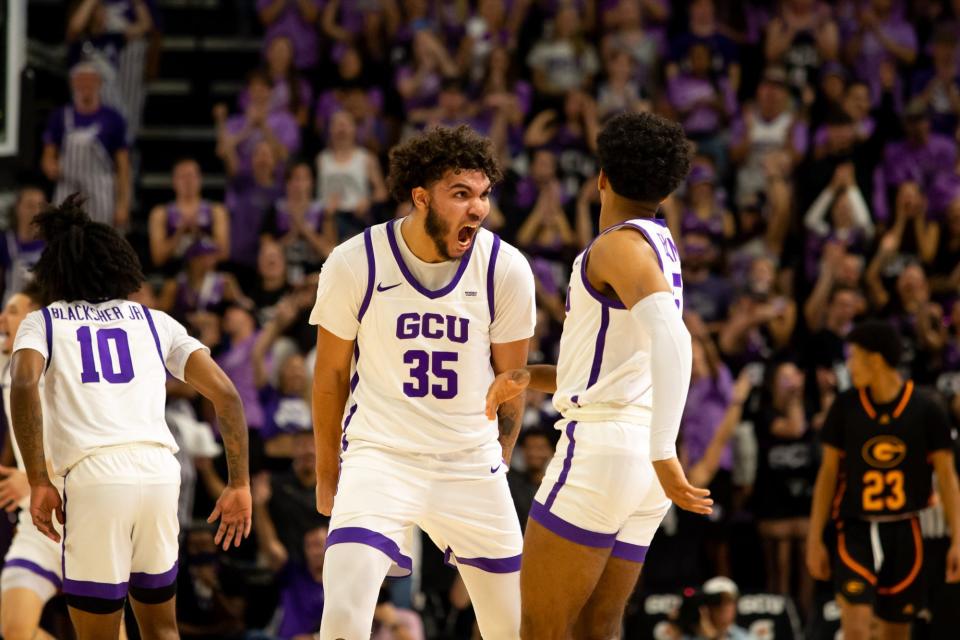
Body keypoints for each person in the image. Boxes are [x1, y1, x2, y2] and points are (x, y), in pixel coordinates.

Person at [486, 112, 711, 638]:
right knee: (598, 627)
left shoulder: (615, 246)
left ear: (601, 178)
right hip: (635, 461)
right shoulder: (658, 243)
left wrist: (665, 451)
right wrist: (529, 375)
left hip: (605, 452)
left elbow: (675, 339)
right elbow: (613, 365)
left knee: (538, 628)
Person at [310, 125, 536, 639]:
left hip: (468, 463)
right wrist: (328, 474)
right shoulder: (354, 261)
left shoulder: (505, 269)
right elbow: (329, 378)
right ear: (420, 198)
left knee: (516, 627)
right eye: (461, 195)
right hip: (380, 458)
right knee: (343, 613)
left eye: (482, 195)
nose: (477, 209)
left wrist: (498, 457)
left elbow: (513, 381)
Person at [9, 195, 253, 639]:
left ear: (56, 272)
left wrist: (39, 479)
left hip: (95, 477)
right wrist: (239, 483)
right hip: (160, 474)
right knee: (162, 630)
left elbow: (23, 385)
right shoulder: (153, 319)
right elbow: (228, 396)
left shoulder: (43, 322)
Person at [806, 320, 960, 640]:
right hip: (855, 528)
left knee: (895, 633)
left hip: (905, 528)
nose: (849, 365)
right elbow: (827, 476)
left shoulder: (926, 409)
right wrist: (815, 537)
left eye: (854, 357)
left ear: (874, 360)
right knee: (858, 630)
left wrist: (958, 539)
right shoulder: (845, 407)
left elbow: (947, 478)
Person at [0, 283, 60, 640]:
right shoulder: (10, 361)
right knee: (13, 630)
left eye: (11, 309)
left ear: (35, 318)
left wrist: (35, 478)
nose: (2, 318)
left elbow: (92, 447)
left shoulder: (59, 368)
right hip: (37, 520)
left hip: (85, 515)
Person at [41, 62, 130, 227]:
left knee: (99, 237)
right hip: (68, 188)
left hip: (100, 192)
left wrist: (123, 204)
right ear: (73, 83)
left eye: (90, 80)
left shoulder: (113, 118)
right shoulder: (60, 116)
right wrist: (50, 167)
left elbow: (123, 167)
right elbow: (48, 156)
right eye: (80, 80)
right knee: (63, 235)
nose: (85, 85)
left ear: (99, 83)